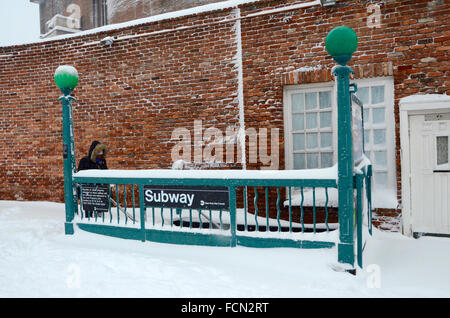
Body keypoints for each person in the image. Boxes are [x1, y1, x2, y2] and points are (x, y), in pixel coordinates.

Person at [77, 141, 108, 217]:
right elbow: (80, 175)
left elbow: (105, 173)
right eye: (98, 153)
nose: (100, 156)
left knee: (99, 211)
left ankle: (99, 222)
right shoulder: (85, 161)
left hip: (99, 191)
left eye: (101, 153)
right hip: (88, 191)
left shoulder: (102, 162)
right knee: (89, 211)